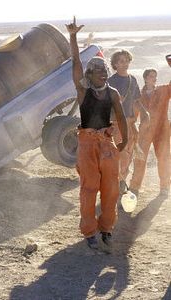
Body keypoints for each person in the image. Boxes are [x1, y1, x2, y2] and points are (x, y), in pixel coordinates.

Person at [66, 17, 128, 250]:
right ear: (89, 74)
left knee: (111, 189)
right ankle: (90, 231)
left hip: (107, 143)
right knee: (89, 188)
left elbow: (121, 117)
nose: (102, 73)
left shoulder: (112, 92)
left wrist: (125, 141)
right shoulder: (83, 92)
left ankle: (107, 228)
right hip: (87, 144)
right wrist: (73, 37)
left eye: (104, 70)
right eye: (97, 71)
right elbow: (75, 64)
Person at [129, 68, 171, 197]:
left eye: (156, 76)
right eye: (152, 76)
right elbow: (134, 115)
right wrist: (132, 130)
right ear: (146, 78)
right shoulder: (139, 95)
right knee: (140, 158)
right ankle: (135, 187)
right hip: (145, 131)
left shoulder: (163, 90)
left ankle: (164, 187)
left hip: (162, 130)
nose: (155, 78)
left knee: (164, 158)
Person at [107, 49, 145, 191]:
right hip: (116, 124)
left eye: (127, 60)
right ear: (115, 64)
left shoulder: (132, 79)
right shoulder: (110, 82)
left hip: (129, 123)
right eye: (121, 61)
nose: (125, 64)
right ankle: (117, 184)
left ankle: (121, 182)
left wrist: (143, 113)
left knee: (128, 155)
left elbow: (136, 100)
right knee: (120, 155)